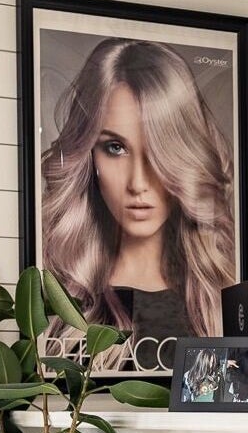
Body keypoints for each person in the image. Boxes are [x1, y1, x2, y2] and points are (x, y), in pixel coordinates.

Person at [40, 38, 236, 341]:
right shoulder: (56, 293)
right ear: (89, 155)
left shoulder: (221, 296)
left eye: (158, 151)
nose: (138, 183)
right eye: (115, 147)